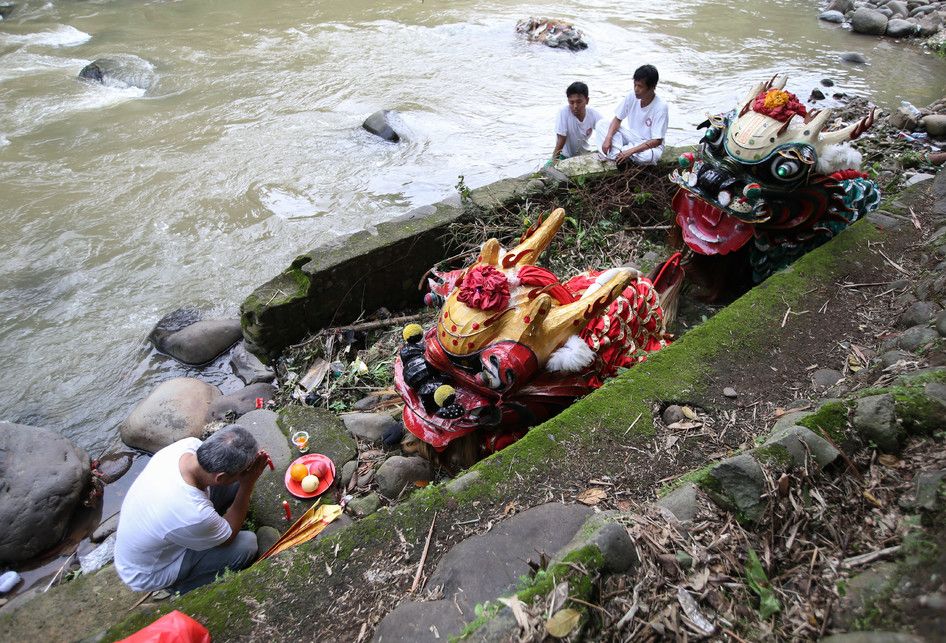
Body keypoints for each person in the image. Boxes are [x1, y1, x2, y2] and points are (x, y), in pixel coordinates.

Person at [114, 425, 271, 595]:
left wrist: (243, 476)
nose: (247, 472)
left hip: (158, 527)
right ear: (220, 478)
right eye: (243, 471)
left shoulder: (189, 446)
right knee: (246, 545)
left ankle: (209, 529)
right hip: (150, 570)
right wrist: (248, 483)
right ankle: (183, 585)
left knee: (235, 485)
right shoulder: (193, 513)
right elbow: (228, 537)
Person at [594, 64, 668, 165]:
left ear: (652, 87)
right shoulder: (631, 96)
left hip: (649, 145)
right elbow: (617, 119)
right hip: (632, 137)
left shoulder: (661, 106)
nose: (636, 89)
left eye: (640, 86)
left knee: (649, 156)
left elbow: (657, 141)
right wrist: (608, 138)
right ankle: (620, 153)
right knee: (601, 124)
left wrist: (631, 151)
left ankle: (617, 153)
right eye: (635, 85)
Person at [550, 81, 603, 162]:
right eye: (571, 102)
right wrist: (554, 160)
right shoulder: (563, 112)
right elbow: (561, 139)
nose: (575, 106)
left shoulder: (592, 114)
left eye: (579, 102)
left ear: (587, 100)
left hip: (584, 155)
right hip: (564, 156)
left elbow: (605, 129)